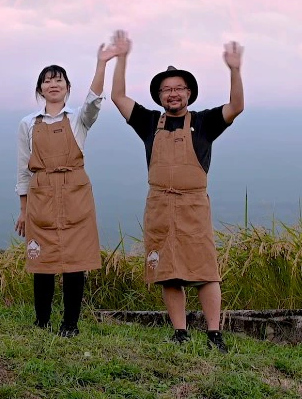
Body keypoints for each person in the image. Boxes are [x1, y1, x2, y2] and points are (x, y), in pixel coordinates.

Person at [109, 29, 244, 352]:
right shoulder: (147, 122)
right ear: (158, 95)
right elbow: (118, 97)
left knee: (206, 271)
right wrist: (122, 57)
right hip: (159, 204)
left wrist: (234, 70)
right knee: (168, 273)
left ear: (189, 94)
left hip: (194, 205)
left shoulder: (206, 122)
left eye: (179, 89)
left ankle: (214, 333)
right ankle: (180, 332)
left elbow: (237, 106)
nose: (173, 94)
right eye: (166, 89)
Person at [15, 43, 119, 337]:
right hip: (42, 192)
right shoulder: (27, 124)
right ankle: (41, 321)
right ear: (40, 89)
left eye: (58, 79)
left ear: (67, 87)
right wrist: (23, 210)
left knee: (76, 259)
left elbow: (95, 101)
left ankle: (70, 324)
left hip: (75, 191)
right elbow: (23, 168)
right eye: (48, 80)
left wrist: (101, 63)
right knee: (42, 259)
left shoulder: (78, 119)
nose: (53, 84)